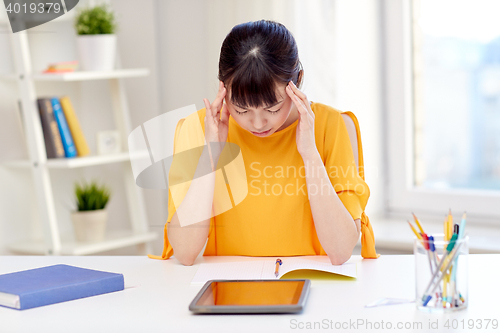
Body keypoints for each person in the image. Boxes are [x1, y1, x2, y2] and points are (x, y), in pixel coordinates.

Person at [148, 20, 378, 265]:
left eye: (272, 107)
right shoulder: (199, 128)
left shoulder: (331, 126)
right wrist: (212, 154)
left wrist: (310, 154)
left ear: (297, 81)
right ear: (223, 88)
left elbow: (341, 251)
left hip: (312, 284)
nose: (258, 124)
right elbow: (184, 253)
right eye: (242, 109)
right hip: (228, 288)